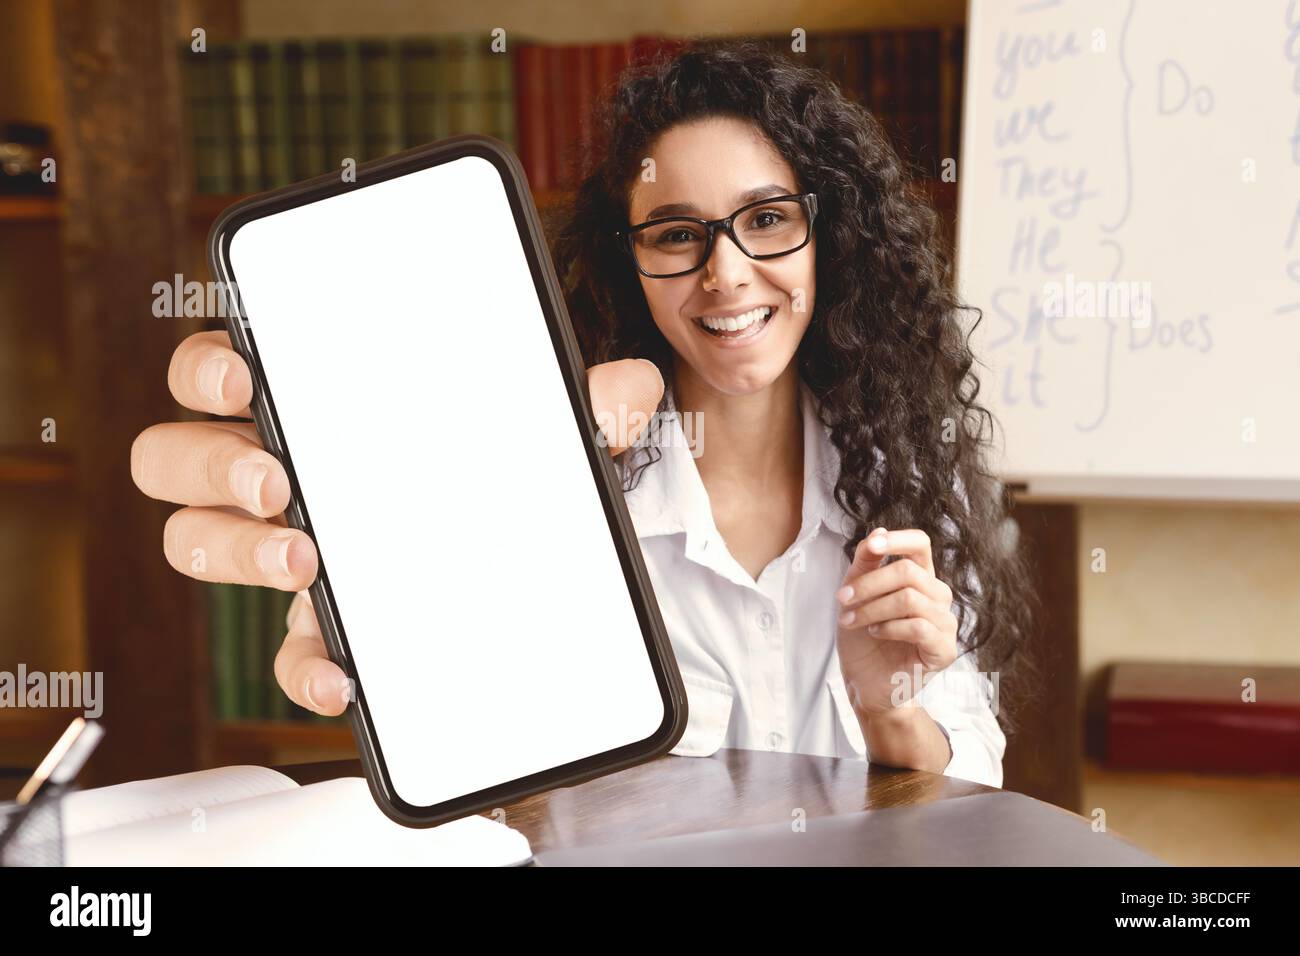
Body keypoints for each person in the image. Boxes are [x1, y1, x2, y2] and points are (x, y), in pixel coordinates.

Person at [131, 38, 1035, 789]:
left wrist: (891, 711)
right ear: (628, 261)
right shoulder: (548, 481)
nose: (725, 274)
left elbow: (971, 797)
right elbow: (494, 785)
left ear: (826, 231)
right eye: (677, 234)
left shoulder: (914, 480)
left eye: (765, 219)